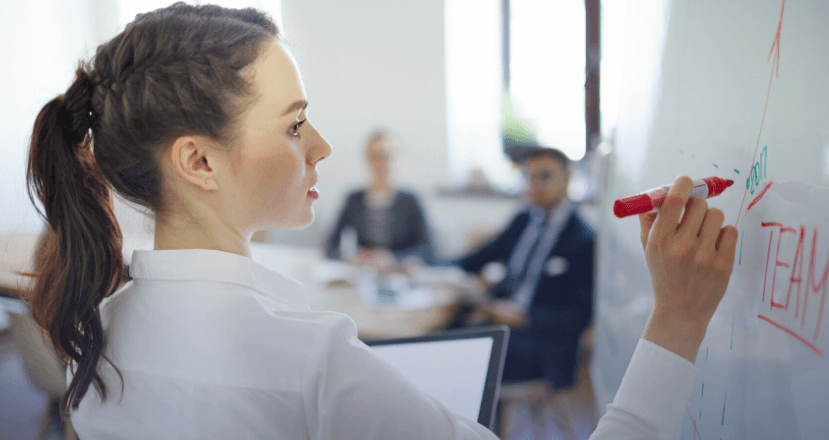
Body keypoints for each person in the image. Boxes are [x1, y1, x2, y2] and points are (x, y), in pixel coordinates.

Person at [23, 3, 737, 439]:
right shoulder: (308, 359)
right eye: (295, 124)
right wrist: (675, 319)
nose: (323, 147)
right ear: (199, 162)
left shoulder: (100, 321)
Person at [450, 147, 594, 390]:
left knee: (466, 361)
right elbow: (477, 258)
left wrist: (525, 316)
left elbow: (580, 314)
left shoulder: (583, 240)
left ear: (567, 178)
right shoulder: (523, 220)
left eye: (544, 176)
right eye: (529, 177)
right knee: (444, 337)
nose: (534, 184)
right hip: (498, 317)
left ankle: (481, 425)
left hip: (540, 340)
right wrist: (423, 266)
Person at [324, 130, 434, 265]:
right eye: (375, 156)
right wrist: (348, 258)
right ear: (366, 160)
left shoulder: (411, 200)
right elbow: (330, 244)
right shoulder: (353, 199)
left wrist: (394, 259)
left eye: (386, 156)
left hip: (399, 273)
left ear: (397, 158)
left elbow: (428, 249)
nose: (381, 163)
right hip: (363, 272)